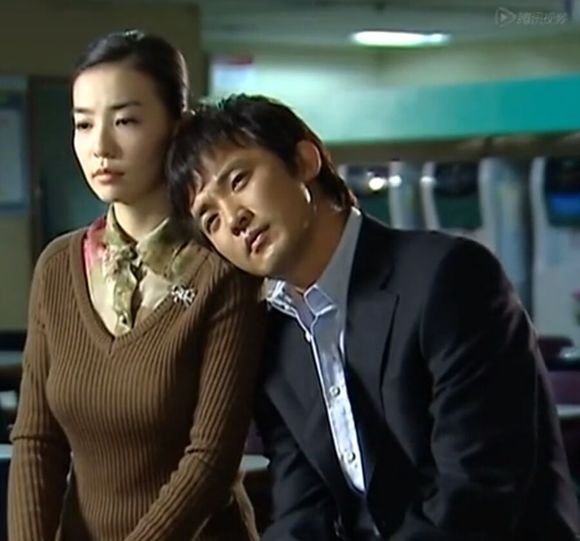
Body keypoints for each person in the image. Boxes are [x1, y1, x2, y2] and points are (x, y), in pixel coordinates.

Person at [166, 94, 580, 540]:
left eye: (239, 180)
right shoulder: (277, 339)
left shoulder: (447, 277)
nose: (233, 219)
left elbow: (475, 494)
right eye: (209, 219)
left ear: (304, 160)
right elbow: (302, 511)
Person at [8, 34, 265, 541]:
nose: (100, 146)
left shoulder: (223, 271)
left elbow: (210, 459)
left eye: (125, 121)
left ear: (178, 127)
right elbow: (37, 440)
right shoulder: (58, 266)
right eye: (84, 124)